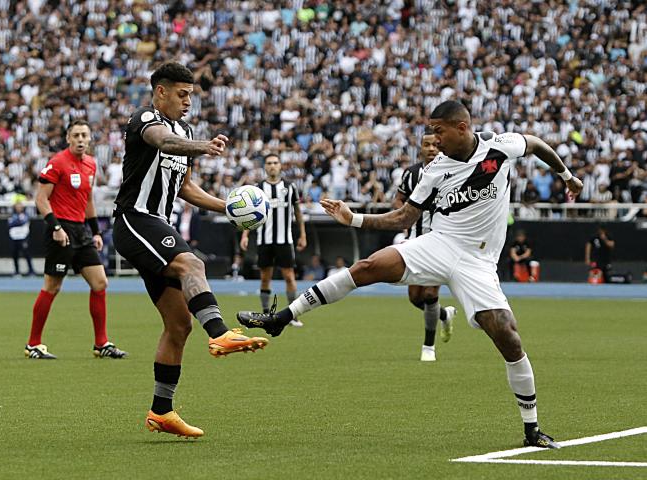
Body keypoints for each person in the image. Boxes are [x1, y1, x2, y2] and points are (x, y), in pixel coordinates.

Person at [239, 100, 584, 449]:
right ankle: (283, 317)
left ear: (461, 127)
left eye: (439, 130)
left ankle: (531, 430)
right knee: (369, 266)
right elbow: (403, 218)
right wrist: (354, 219)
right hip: (440, 242)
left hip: (478, 261)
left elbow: (537, 143)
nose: (434, 139)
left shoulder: (501, 146)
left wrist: (566, 176)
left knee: (508, 335)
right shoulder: (436, 170)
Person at [112, 61, 269, 438]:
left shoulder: (184, 129)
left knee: (179, 325)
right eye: (182, 95)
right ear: (161, 91)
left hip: (158, 224)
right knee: (190, 263)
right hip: (136, 219)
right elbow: (161, 142)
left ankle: (161, 412)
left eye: (191, 96)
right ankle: (219, 332)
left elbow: (184, 188)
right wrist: (203, 147)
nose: (187, 103)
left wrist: (229, 208)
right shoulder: (144, 119)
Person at [25, 119, 127, 360]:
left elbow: (88, 200)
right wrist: (56, 228)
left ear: (90, 139)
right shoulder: (57, 162)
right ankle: (33, 344)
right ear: (68, 138)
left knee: (100, 283)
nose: (81, 139)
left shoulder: (90, 165)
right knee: (52, 286)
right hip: (60, 230)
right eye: (76, 135)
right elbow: (41, 199)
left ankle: (101, 343)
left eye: (84, 135)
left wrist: (96, 232)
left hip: (81, 231)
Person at [393, 130, 457, 362]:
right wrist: (403, 214)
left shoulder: (453, 171)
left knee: (430, 293)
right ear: (420, 148)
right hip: (415, 241)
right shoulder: (411, 174)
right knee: (415, 298)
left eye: (435, 145)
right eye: (427, 145)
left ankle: (428, 347)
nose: (431, 149)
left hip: (442, 241)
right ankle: (443, 315)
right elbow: (398, 199)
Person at [239, 153, 307, 327]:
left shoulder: (290, 187)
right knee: (265, 278)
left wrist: (303, 234)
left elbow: (298, 213)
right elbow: (250, 213)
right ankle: (265, 313)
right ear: (265, 167)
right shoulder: (258, 188)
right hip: (264, 240)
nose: (272, 166)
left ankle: (292, 314)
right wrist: (245, 235)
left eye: (275, 162)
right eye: (269, 163)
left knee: (289, 276)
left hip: (285, 240)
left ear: (280, 165)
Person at [8, 202, 35, 277]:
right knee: (15, 255)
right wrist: (17, 222)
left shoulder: (25, 215)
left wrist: (16, 222)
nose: (19, 208)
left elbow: (23, 222)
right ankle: (17, 271)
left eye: (20, 207)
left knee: (27, 254)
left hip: (23, 237)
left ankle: (31, 271)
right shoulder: (12, 215)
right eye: (17, 207)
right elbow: (10, 223)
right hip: (14, 237)